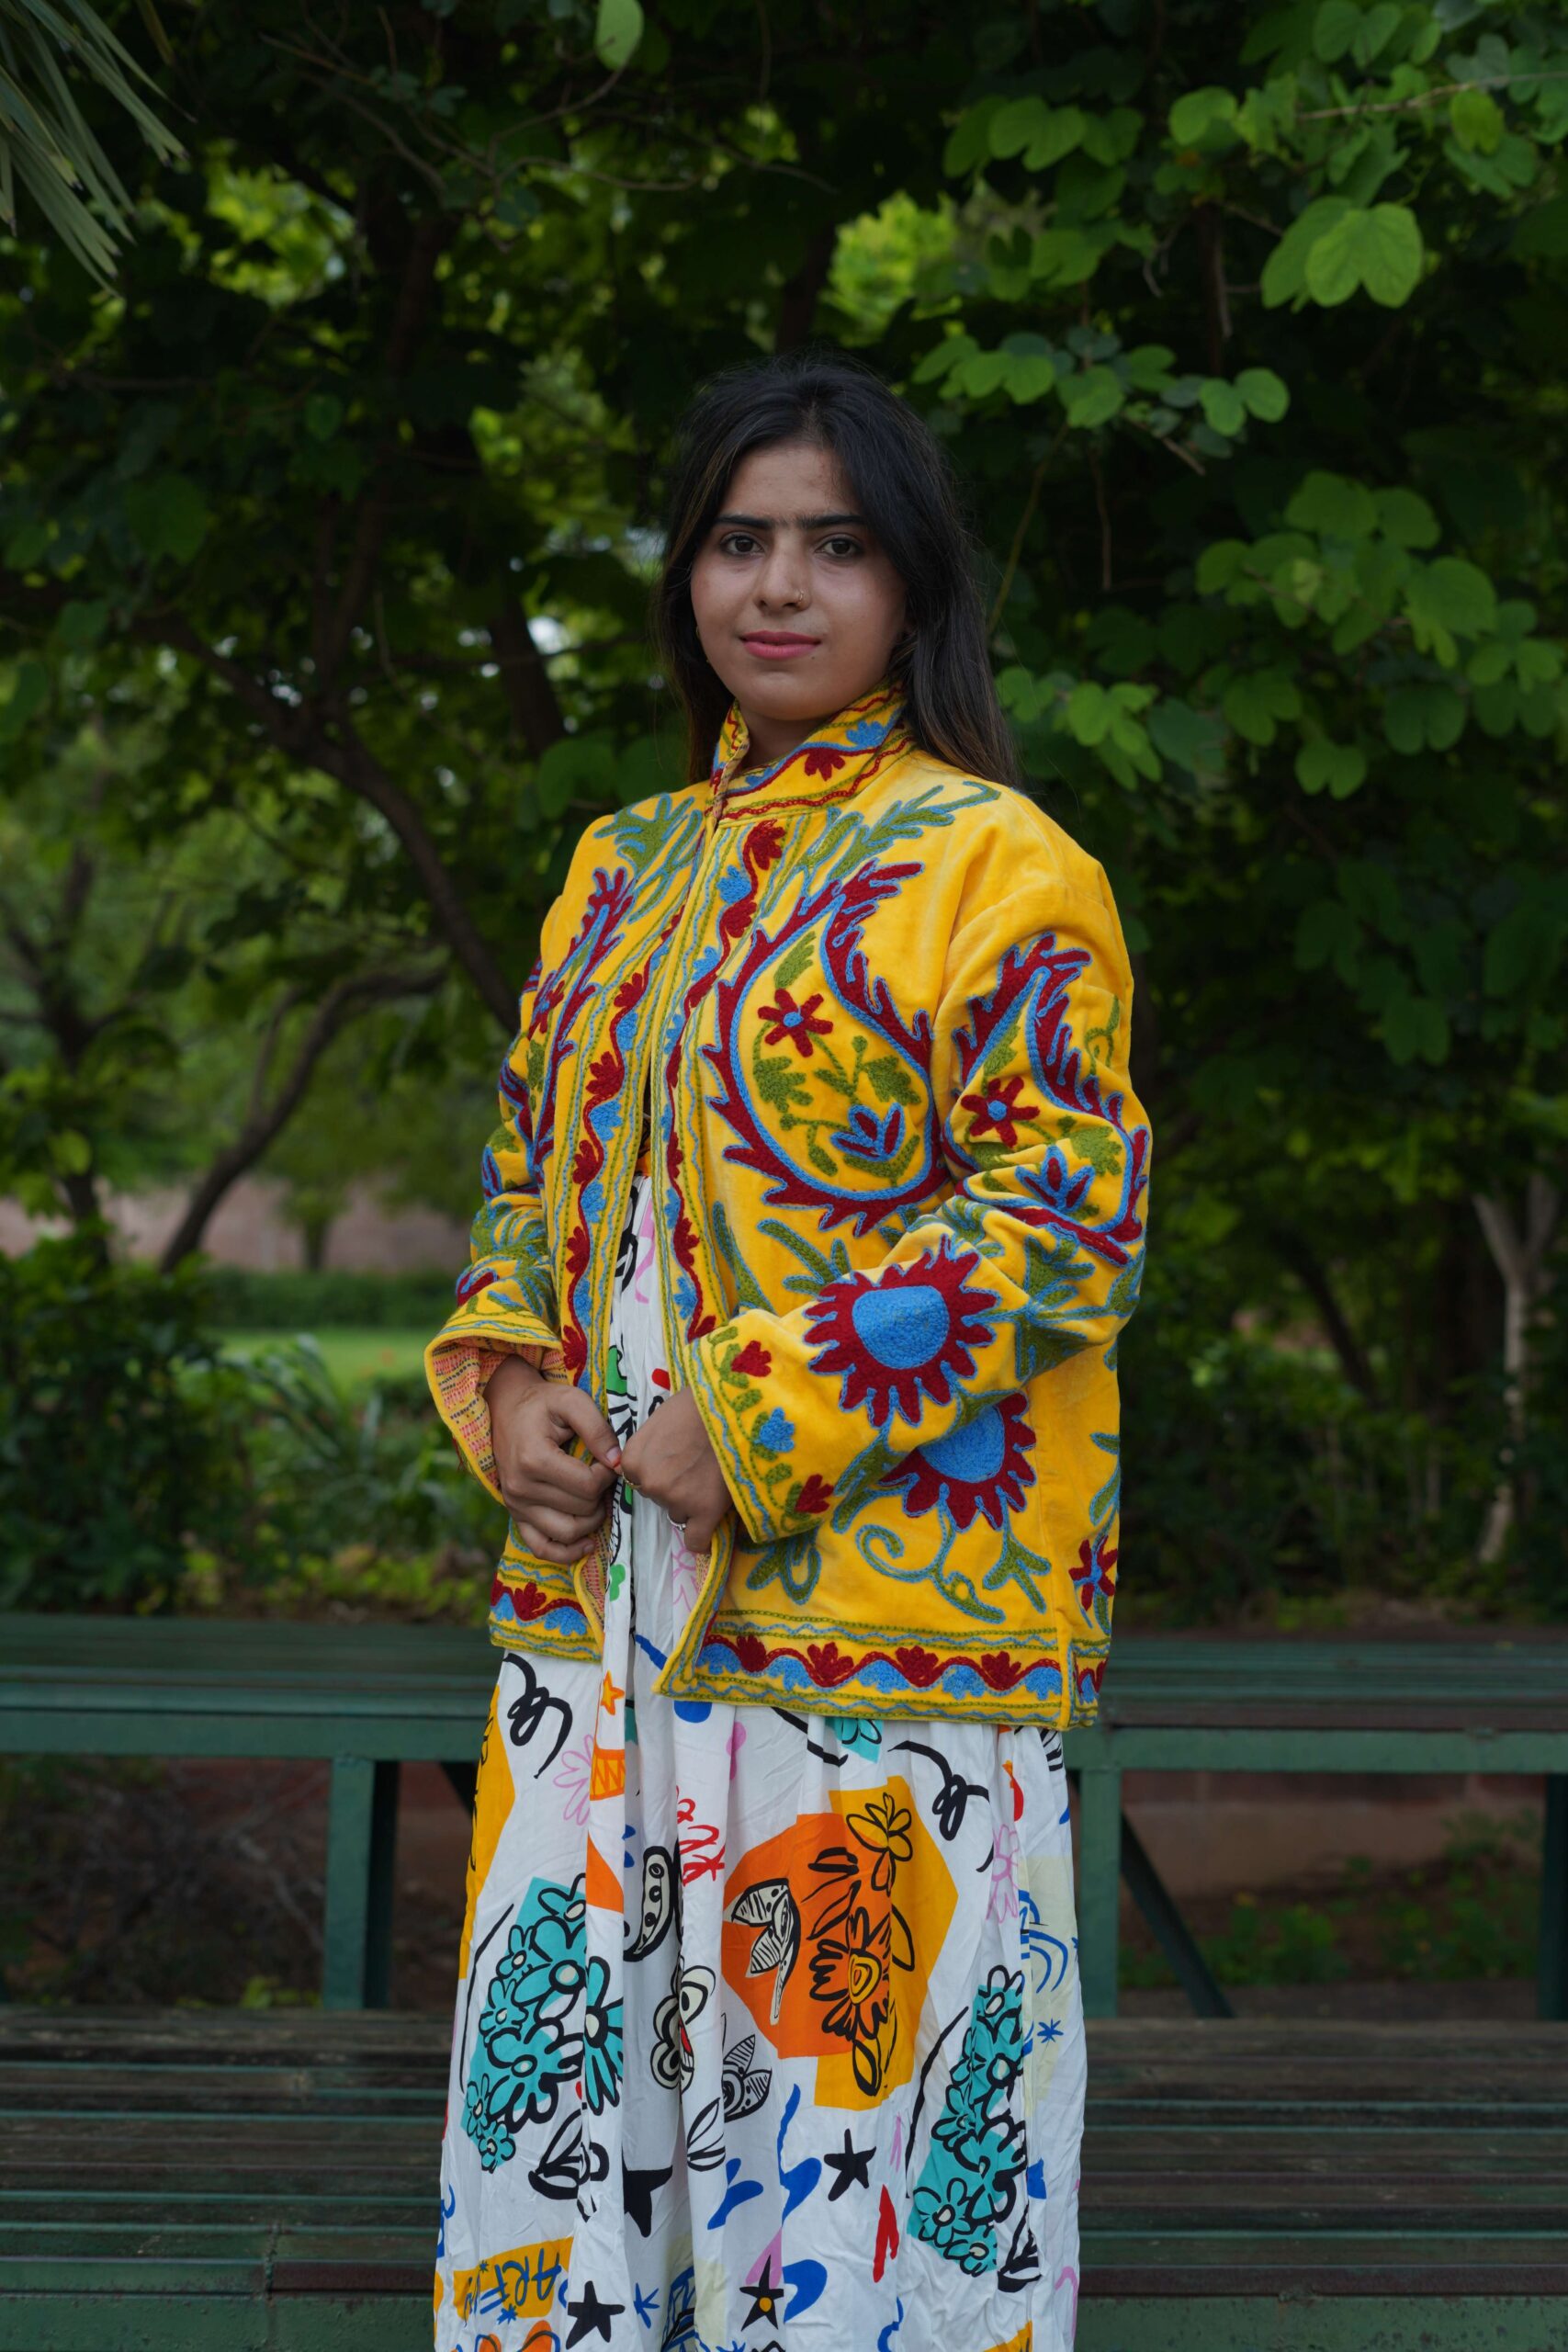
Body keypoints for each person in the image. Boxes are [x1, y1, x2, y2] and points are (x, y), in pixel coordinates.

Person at [426, 350, 1150, 2352]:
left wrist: (754, 1413)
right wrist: (518, 1386)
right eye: (738, 541)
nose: (777, 585)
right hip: (603, 1626)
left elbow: (1064, 1221)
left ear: (910, 585)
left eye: (834, 545)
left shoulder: (997, 865)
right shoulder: (620, 866)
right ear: (686, 576)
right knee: (581, 2145)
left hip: (877, 1628)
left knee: (845, 2176)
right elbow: (525, 1180)